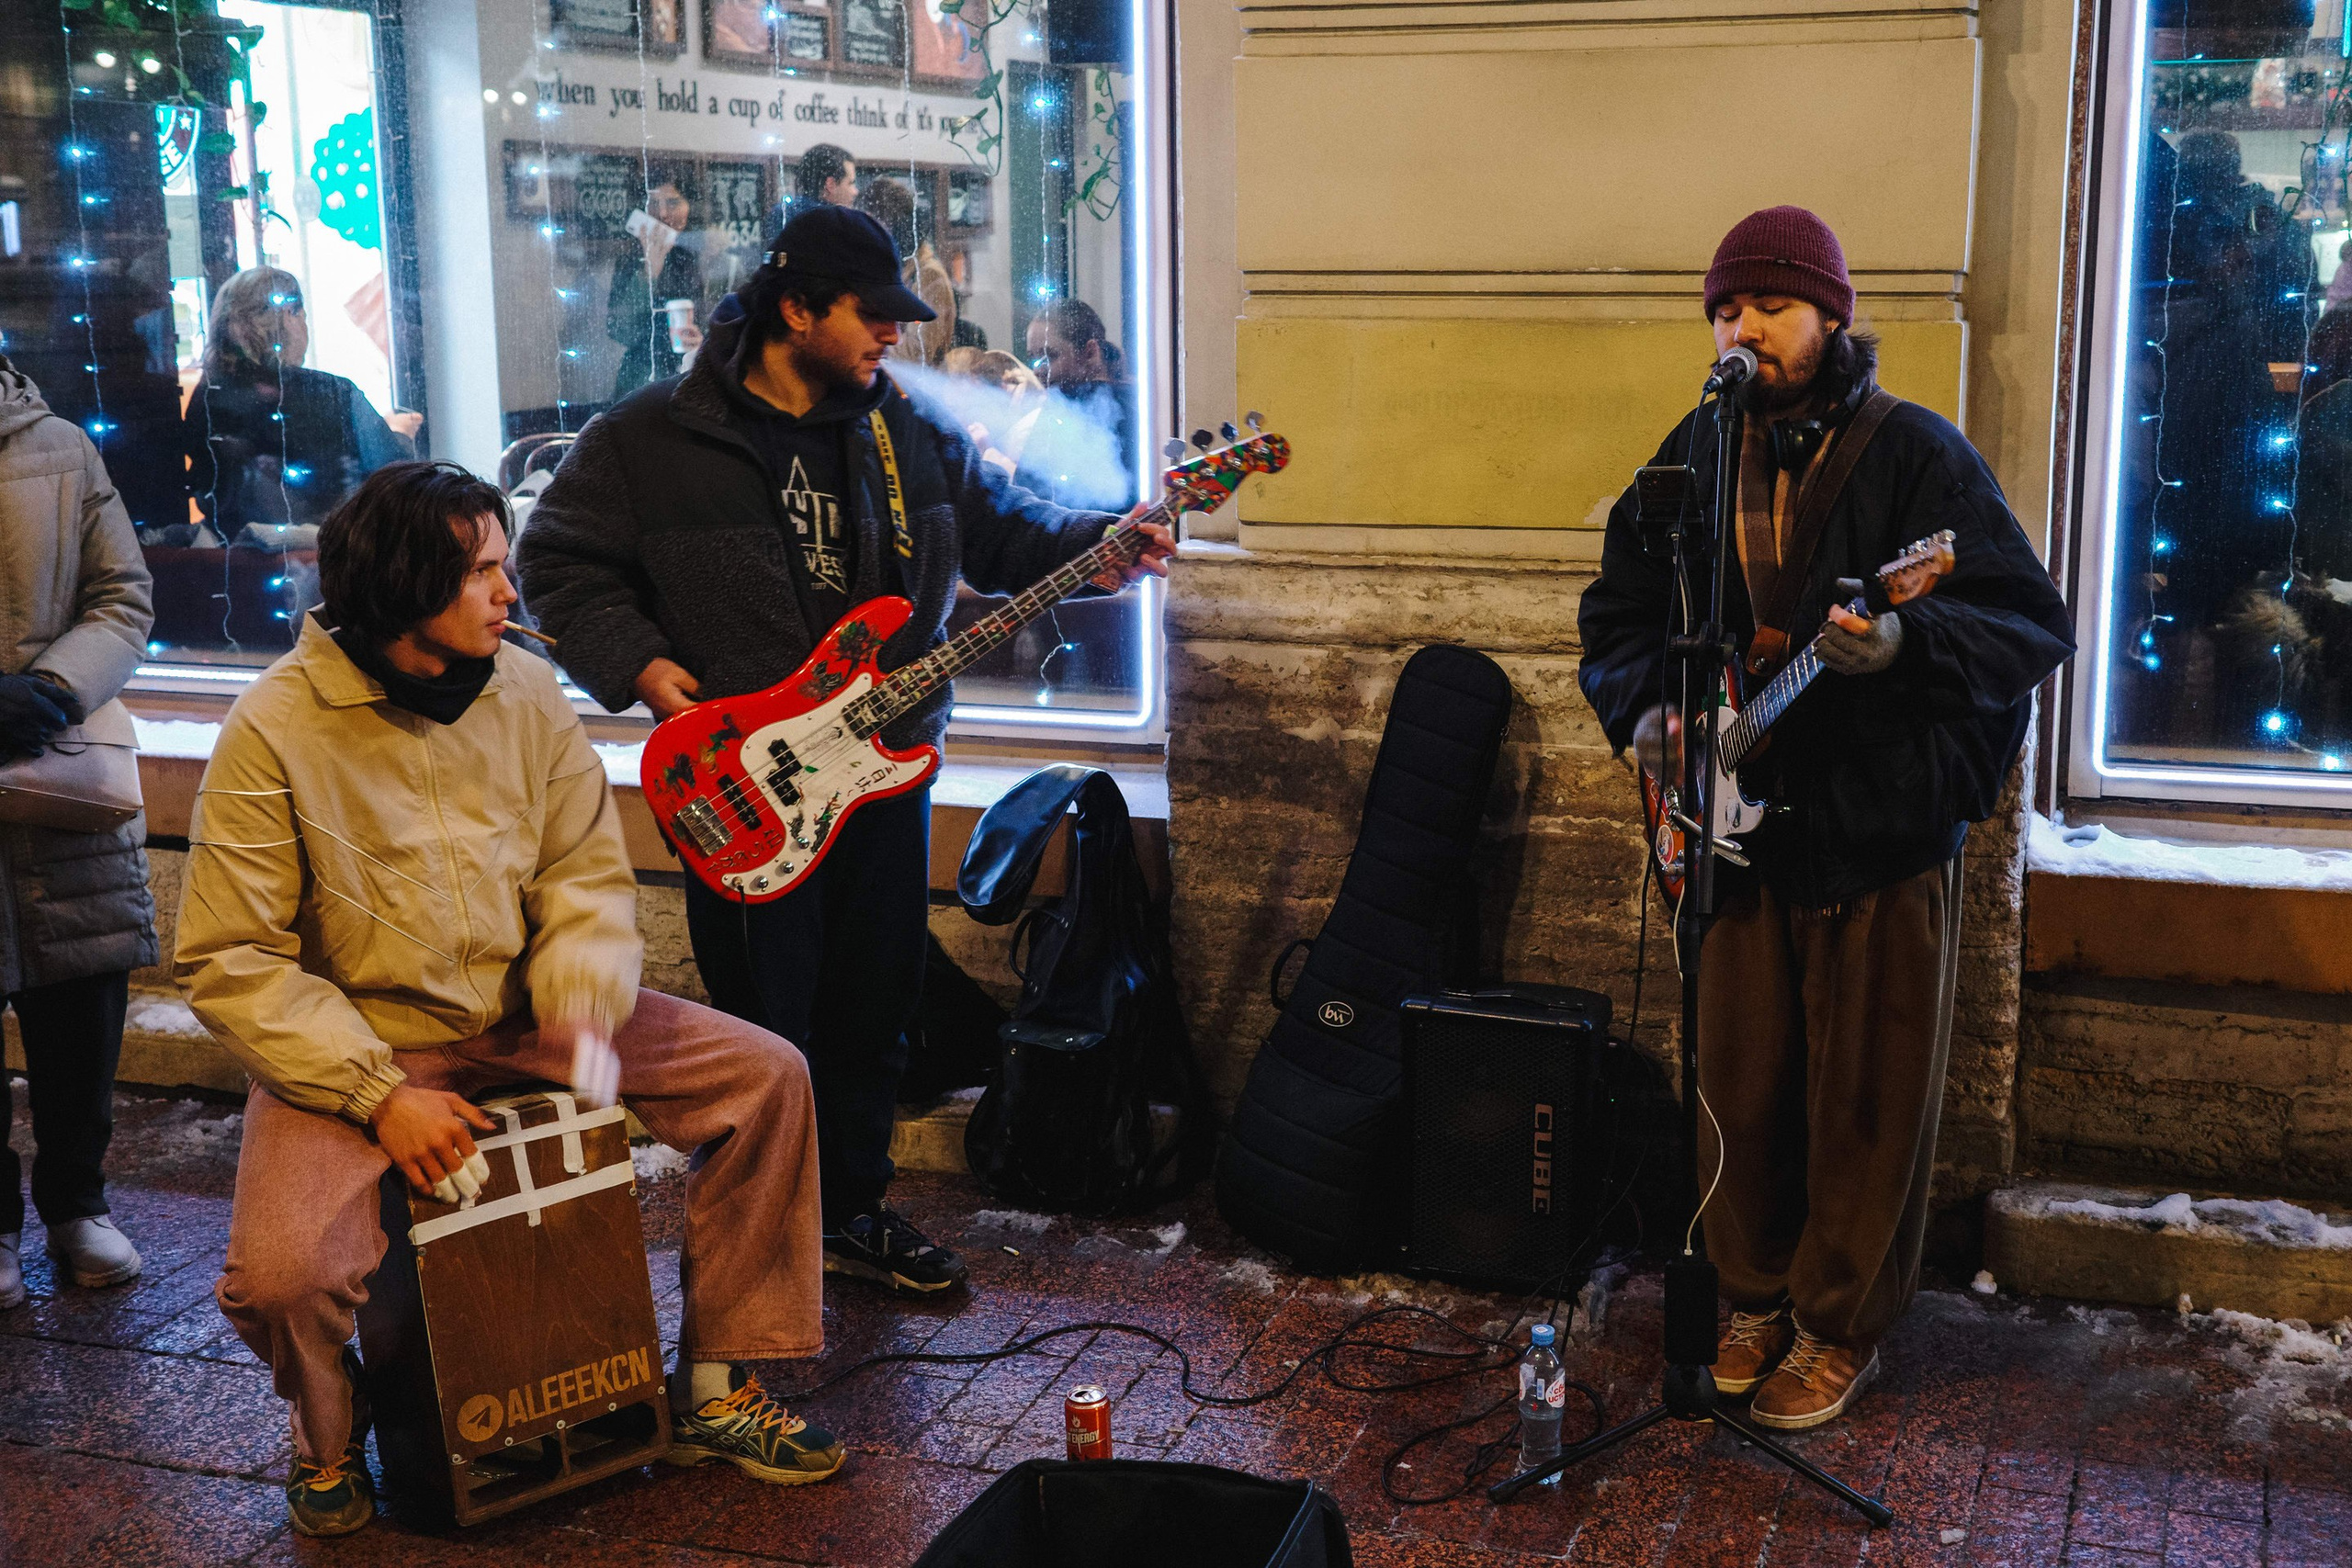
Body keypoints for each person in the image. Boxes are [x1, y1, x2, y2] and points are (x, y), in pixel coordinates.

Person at [517, 206, 1172, 1296]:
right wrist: (639, 666)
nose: (892, 339)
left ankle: (851, 1211)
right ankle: (757, 1230)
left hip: (883, 765)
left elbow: (1003, 529)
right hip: (740, 779)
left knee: (873, 1003)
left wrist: (1098, 552)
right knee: (762, 1024)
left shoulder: (900, 425)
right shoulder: (651, 436)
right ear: (795, 309)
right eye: (871, 317)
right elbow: (558, 557)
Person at [179, 460, 842, 1538]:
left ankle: (718, 1386)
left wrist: (579, 990)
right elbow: (229, 957)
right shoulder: (274, 727)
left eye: (503, 566)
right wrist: (378, 1096)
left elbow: (582, 867)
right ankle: (329, 1440)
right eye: (484, 572)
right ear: (404, 587)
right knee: (284, 1278)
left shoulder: (526, 688)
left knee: (768, 1080)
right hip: (369, 1039)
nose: (508, 594)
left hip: (526, 1010)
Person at [1577, 208, 2073, 1430]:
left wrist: (1905, 636)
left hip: (1877, 827)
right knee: (1739, 1079)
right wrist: (1648, 714)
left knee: (1866, 1092)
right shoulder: (1691, 451)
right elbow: (1620, 610)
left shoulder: (1919, 456)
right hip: (1735, 829)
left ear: (1831, 316)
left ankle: (1838, 1321)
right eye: (1725, 308)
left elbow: (2025, 620)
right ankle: (1747, 1294)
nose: (1740, 326)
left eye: (1769, 306)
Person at [0, 352, 160, 1313]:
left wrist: (53, 688)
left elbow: (122, 593)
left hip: (59, 770)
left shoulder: (58, 448)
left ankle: (77, 1205)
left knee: (82, 1007)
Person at [183, 267, 419, 539]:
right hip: (328, 554)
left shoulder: (207, 397)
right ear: (288, 316)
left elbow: (206, 486)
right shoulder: (334, 393)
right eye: (300, 312)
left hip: (231, 562)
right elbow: (396, 475)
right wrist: (399, 433)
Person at [1023, 299, 1137, 508]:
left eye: (1050, 356)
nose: (1038, 370)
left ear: (1090, 352)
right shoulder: (1053, 411)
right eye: (1033, 358)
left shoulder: (1127, 414)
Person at [607, 174, 705, 400]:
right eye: (653, 203)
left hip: (688, 379)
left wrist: (700, 343)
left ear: (690, 207)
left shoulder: (693, 258)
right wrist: (649, 271)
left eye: (672, 202)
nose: (662, 214)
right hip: (641, 382)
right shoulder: (630, 260)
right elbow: (620, 330)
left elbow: (713, 322)